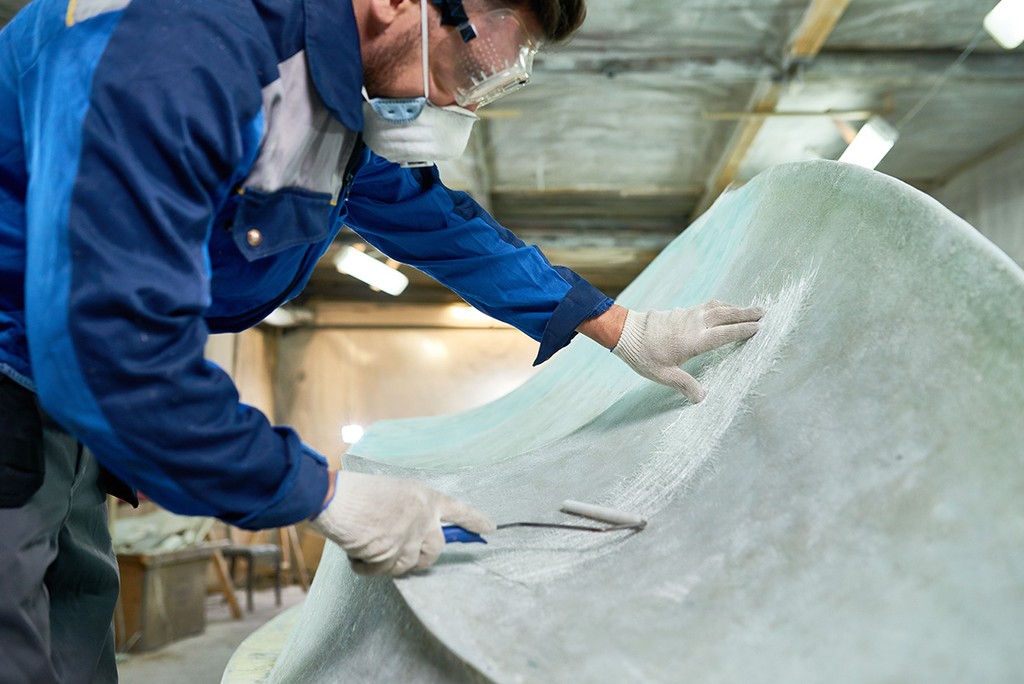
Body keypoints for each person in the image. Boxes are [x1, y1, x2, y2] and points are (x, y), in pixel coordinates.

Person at [0, 0, 763, 681]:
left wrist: (625, 328)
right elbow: (113, 349)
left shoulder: (325, 101)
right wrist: (323, 494)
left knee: (73, 634)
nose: (455, 105)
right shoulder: (176, 44)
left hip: (60, 401)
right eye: (469, 72)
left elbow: (443, 225)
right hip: (26, 370)